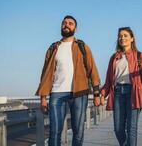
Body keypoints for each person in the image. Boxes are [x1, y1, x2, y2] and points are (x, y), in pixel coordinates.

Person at [35, 15, 101, 146]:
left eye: (70, 23)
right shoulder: (53, 48)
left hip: (79, 92)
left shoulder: (82, 46)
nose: (66, 25)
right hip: (57, 93)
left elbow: (92, 70)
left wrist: (97, 94)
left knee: (78, 132)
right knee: (54, 131)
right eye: (64, 23)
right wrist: (43, 98)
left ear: (75, 28)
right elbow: (46, 74)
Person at [100, 26, 142, 146]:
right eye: (120, 36)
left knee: (131, 129)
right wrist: (102, 94)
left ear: (132, 39)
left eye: (125, 35)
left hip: (134, 94)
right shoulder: (114, 58)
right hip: (117, 93)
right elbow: (108, 79)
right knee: (118, 129)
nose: (122, 38)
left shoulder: (139, 56)